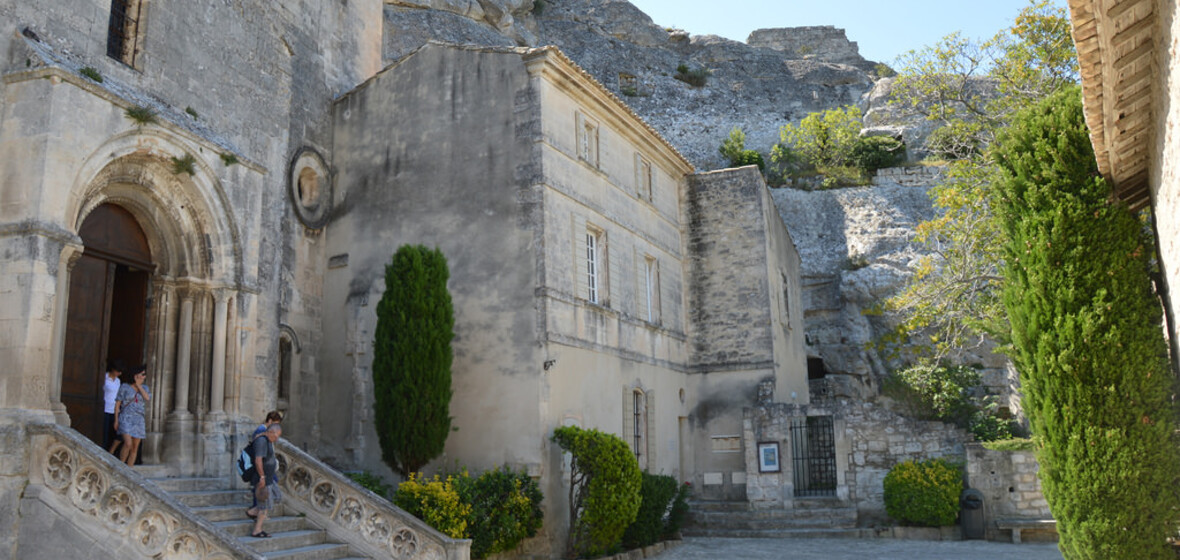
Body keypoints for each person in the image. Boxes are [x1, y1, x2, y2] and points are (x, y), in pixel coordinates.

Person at [245, 423, 282, 538]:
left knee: (278, 496)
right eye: (276, 436)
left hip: (269, 478)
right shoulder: (261, 441)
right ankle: (257, 530)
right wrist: (262, 477)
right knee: (264, 505)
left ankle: (252, 512)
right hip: (262, 478)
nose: (277, 438)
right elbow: (258, 460)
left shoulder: (268, 440)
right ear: (270, 432)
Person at [113, 364, 150, 467]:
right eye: (142, 374)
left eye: (144, 374)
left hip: (138, 419)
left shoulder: (145, 388)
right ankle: (121, 466)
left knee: (134, 447)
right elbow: (117, 404)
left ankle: (130, 471)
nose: (144, 376)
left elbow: (147, 398)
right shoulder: (125, 387)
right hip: (126, 417)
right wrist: (116, 420)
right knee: (128, 443)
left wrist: (138, 385)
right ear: (136, 375)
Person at [248, 411, 283, 511]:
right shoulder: (261, 430)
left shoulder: (265, 431)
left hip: (267, 468)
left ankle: (259, 510)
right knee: (263, 489)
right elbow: (259, 451)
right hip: (262, 467)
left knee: (272, 491)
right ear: (270, 421)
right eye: (275, 423)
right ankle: (257, 510)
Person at [102, 359, 125, 455]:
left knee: (118, 434)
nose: (119, 373)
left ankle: (111, 452)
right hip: (105, 409)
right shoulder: (104, 377)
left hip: (114, 410)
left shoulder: (118, 381)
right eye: (118, 371)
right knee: (104, 434)